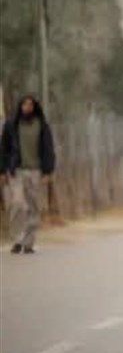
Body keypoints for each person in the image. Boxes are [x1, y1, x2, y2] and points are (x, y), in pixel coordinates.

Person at [0, 95, 56, 254]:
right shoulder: (11, 125)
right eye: (24, 104)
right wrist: (2, 170)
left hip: (36, 171)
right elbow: (3, 149)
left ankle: (29, 242)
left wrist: (48, 171)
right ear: (20, 106)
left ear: (34, 107)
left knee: (34, 207)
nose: (27, 107)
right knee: (17, 204)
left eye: (30, 105)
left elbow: (48, 149)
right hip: (16, 171)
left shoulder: (42, 126)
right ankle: (17, 239)